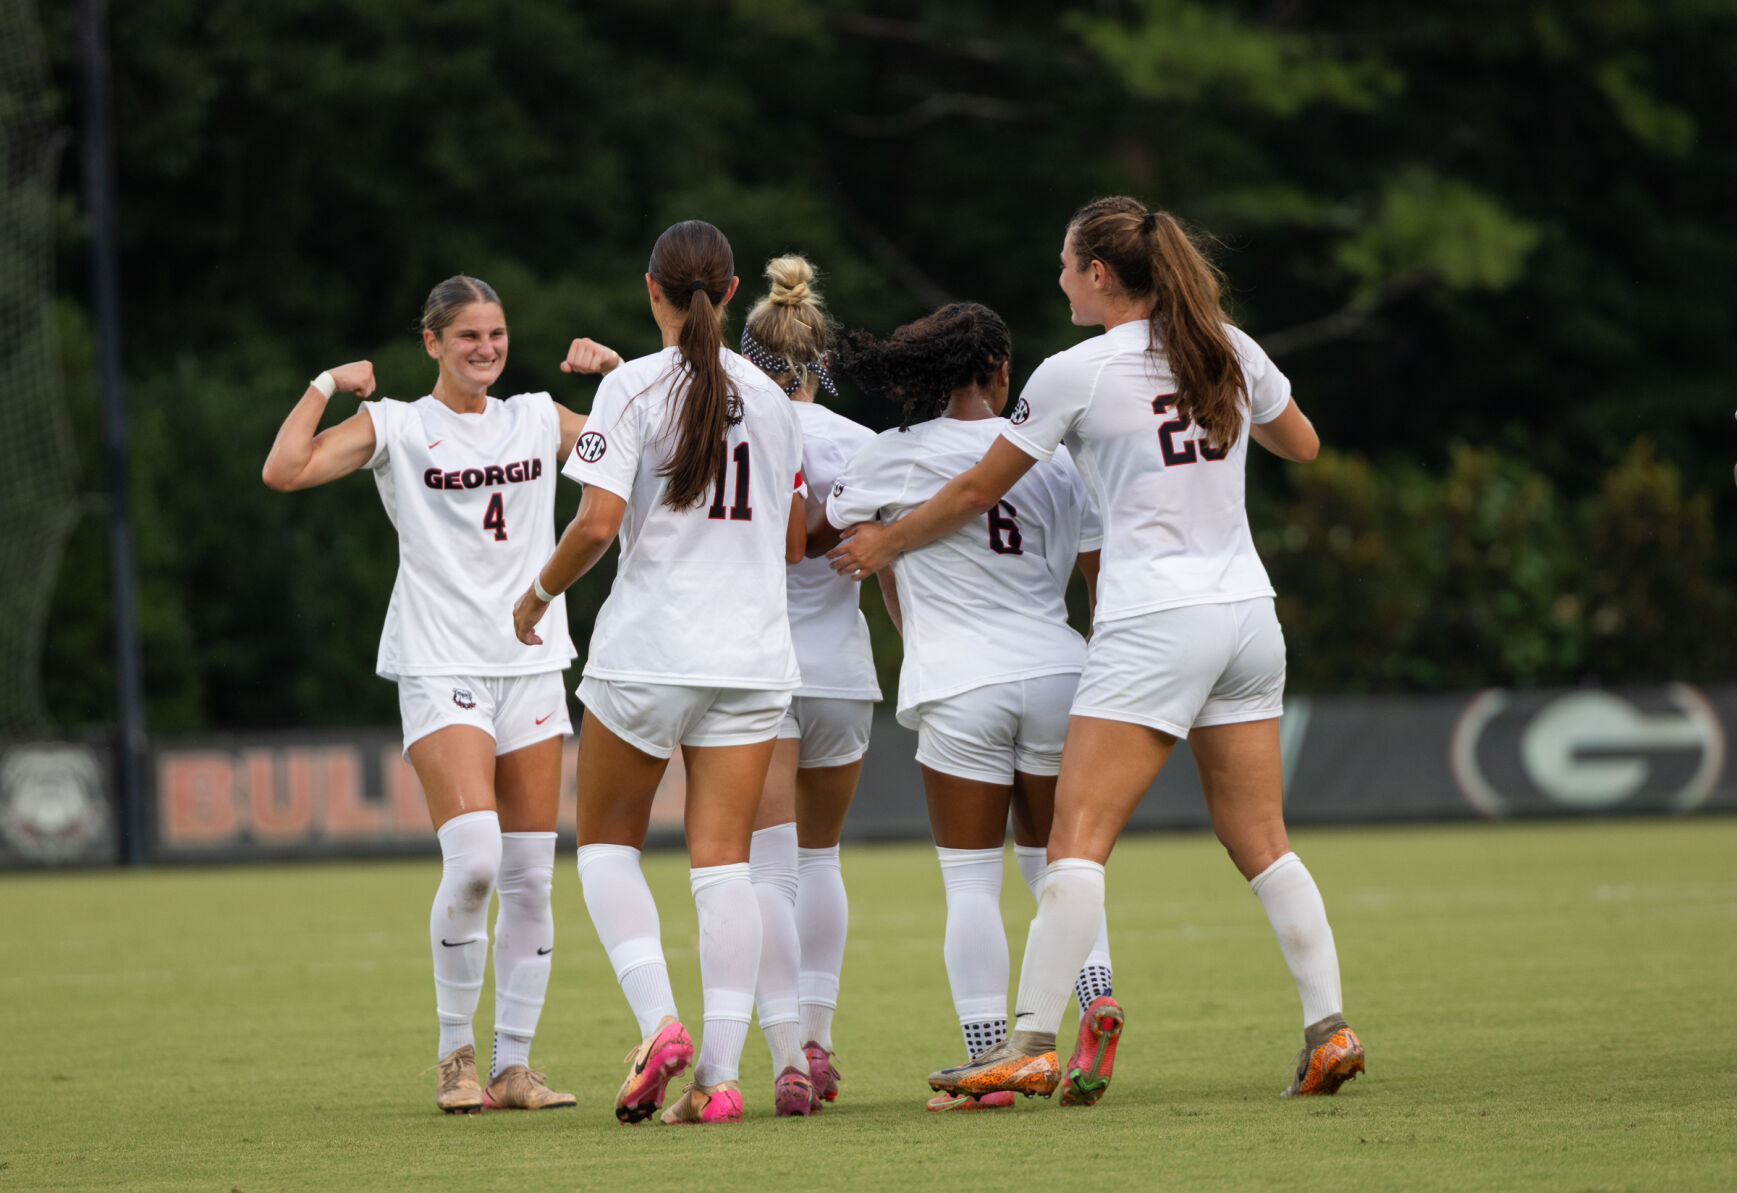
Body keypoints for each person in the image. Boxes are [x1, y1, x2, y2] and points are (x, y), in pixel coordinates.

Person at [828, 197, 1363, 1106]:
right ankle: (1329, 1028)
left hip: (1153, 621)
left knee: (1073, 843)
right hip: (1245, 614)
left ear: (1101, 276)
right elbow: (1301, 445)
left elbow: (972, 489)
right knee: (1263, 839)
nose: (1061, 279)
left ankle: (1030, 1041)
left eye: (1067, 265)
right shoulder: (1227, 346)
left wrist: (885, 542)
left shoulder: (1076, 370)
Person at [262, 275, 619, 1113]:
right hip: (438, 663)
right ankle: (455, 1057)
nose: (486, 349)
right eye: (467, 337)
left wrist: (616, 378)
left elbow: (648, 453)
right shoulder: (399, 425)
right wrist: (323, 384)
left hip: (530, 663)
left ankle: (513, 1066)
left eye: (495, 334)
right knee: (478, 861)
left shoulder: (535, 415)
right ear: (431, 343)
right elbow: (284, 470)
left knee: (532, 876)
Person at [512, 219, 807, 1126]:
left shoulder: (631, 389)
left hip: (650, 652)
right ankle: (719, 1080)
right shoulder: (774, 397)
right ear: (728, 296)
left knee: (605, 846)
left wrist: (534, 597)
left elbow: (596, 525)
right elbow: (790, 538)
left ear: (652, 290)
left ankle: (658, 1025)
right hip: (752, 658)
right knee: (724, 866)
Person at [825, 302, 1119, 1112]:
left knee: (969, 883)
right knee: (1063, 864)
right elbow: (1096, 579)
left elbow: (848, 551)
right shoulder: (1055, 461)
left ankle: (985, 1064)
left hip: (960, 681)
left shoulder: (888, 458)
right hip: (1061, 669)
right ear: (999, 374)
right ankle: (1094, 998)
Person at [735, 255, 884, 1114]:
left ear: (750, 357)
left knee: (767, 866)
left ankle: (785, 1049)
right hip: (838, 670)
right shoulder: (860, 443)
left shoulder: (733, 430)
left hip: (758, 668)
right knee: (821, 859)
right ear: (821, 359)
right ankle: (821, 1036)